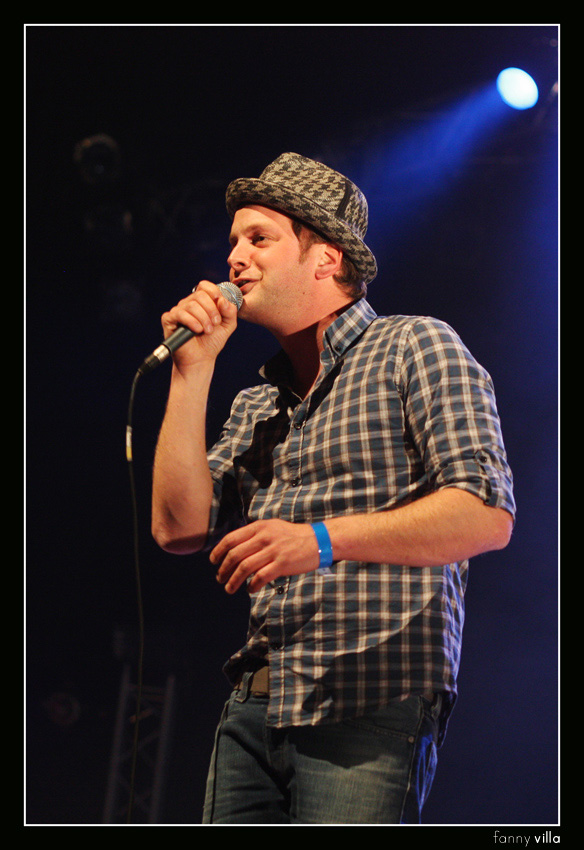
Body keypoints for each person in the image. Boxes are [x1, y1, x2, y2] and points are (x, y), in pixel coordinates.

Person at [150, 152, 516, 824]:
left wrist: (319, 541)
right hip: (256, 704)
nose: (234, 258)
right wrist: (190, 373)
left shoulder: (415, 346)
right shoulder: (257, 404)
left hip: (370, 696)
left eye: (259, 239)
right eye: (233, 241)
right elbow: (178, 529)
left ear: (326, 257)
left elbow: (485, 513)